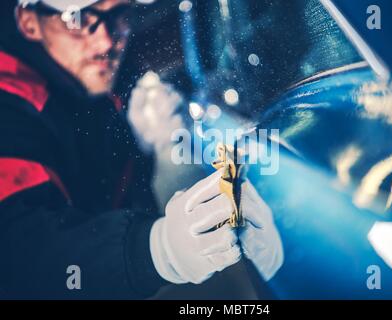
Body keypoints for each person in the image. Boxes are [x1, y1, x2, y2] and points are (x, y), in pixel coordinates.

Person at [0, 0, 283, 299]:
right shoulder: (9, 103)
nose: (107, 40)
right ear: (29, 21)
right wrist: (156, 250)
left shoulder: (106, 77)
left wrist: (135, 146)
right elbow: (19, 253)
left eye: (119, 13)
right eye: (79, 18)